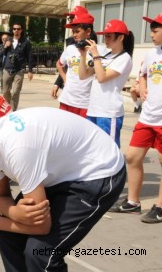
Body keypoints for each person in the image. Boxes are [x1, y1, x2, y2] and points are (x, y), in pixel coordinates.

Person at [0, 107, 126, 271]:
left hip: (97, 173)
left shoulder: (19, 151)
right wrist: (13, 212)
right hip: (61, 170)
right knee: (8, 234)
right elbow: (1, 197)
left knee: (41, 252)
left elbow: (41, 227)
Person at [109, 12, 162, 223]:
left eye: (156, 30)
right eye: (151, 29)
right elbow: (142, 73)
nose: (151, 34)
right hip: (148, 117)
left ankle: (159, 206)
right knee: (132, 157)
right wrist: (143, 87)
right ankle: (133, 202)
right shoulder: (151, 54)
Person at [78, 19, 133, 147]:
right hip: (93, 110)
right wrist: (83, 55)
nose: (105, 40)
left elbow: (102, 78)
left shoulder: (124, 58)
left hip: (109, 112)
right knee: (94, 149)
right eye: (105, 36)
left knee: (109, 150)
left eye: (109, 36)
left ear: (120, 37)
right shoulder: (105, 56)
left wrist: (96, 55)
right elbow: (83, 75)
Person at [56, 13, 104, 117]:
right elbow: (59, 64)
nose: (74, 35)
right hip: (67, 100)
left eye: (77, 31)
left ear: (88, 32)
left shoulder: (99, 51)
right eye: (73, 31)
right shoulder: (70, 49)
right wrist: (65, 79)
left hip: (85, 103)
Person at [1, 23, 34, 111]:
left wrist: (30, 70)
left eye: (18, 29)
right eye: (14, 29)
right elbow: (1, 54)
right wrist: (5, 46)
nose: (16, 31)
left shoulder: (26, 42)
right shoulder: (8, 40)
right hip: (7, 69)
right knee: (5, 92)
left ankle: (13, 110)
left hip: (19, 69)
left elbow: (30, 56)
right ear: (12, 30)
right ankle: (7, 108)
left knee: (16, 91)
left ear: (21, 30)